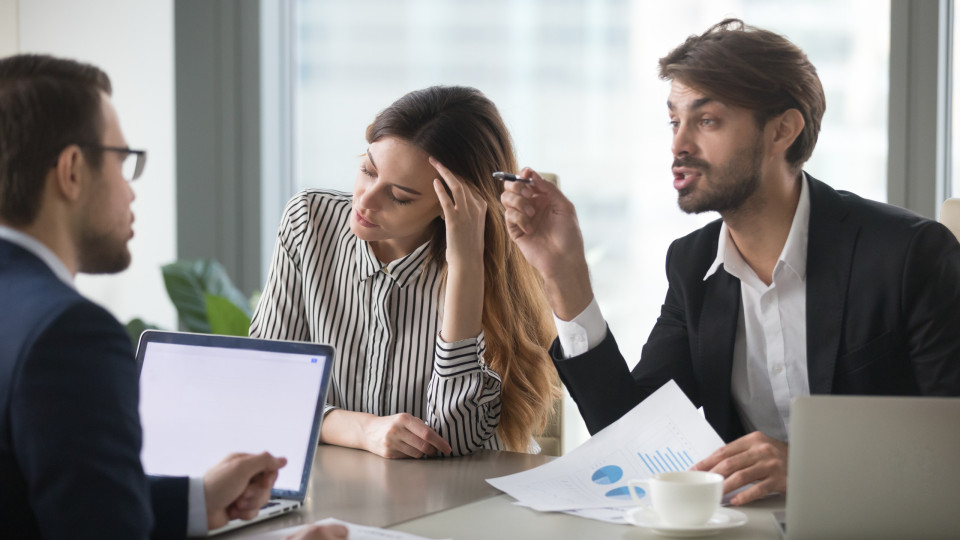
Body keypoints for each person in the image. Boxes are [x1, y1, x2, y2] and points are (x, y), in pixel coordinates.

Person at [501, 19, 960, 506]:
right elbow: (629, 435)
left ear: (783, 130)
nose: (679, 145)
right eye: (674, 121)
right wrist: (564, 273)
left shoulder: (908, 255)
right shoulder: (692, 265)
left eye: (707, 121)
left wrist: (812, 465)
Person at [0, 54, 347, 540]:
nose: (131, 190)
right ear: (73, 170)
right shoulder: (67, 334)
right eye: (124, 161)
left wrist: (197, 499)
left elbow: (58, 505)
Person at [251, 86, 559, 458]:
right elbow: (266, 392)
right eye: (367, 170)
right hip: (343, 488)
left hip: (462, 498)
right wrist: (364, 430)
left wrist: (465, 266)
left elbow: (454, 439)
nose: (365, 199)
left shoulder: (490, 266)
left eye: (399, 196)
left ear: (451, 205)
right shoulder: (309, 223)